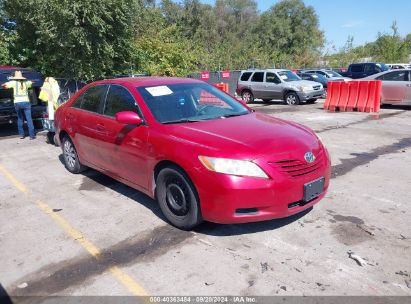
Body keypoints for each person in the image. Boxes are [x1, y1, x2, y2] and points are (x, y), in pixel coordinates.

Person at [2, 71, 36, 139]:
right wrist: (28, 81)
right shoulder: (27, 83)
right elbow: (33, 83)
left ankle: (21, 135)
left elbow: (3, 85)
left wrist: (6, 86)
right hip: (26, 102)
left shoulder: (13, 83)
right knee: (29, 119)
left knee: (20, 118)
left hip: (17, 103)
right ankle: (32, 136)